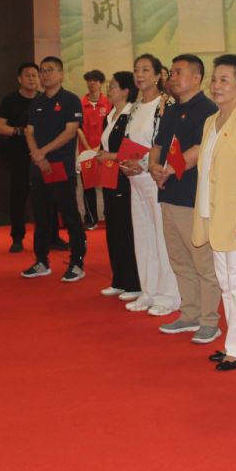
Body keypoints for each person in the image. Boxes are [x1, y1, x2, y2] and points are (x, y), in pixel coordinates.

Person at [193, 54, 236, 371]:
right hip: (212, 212)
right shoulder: (211, 121)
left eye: (224, 80)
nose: (216, 86)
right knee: (226, 283)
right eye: (214, 79)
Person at [151, 55, 221, 344]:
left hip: (192, 197)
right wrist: (154, 167)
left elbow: (200, 149)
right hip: (168, 193)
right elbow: (158, 145)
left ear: (196, 77)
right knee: (179, 259)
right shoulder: (171, 109)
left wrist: (168, 169)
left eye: (179, 72)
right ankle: (190, 313)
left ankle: (209, 320)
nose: (173, 77)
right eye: (172, 72)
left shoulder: (208, 109)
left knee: (202, 261)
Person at [20, 56, 88, 282]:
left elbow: (70, 132)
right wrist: (37, 155)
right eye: (42, 71)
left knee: (70, 216)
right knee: (41, 217)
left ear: (61, 74)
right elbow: (29, 131)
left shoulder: (70, 100)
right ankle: (41, 261)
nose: (44, 75)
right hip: (38, 167)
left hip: (61, 167)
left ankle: (77, 262)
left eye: (50, 70)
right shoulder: (37, 102)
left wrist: (44, 152)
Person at [122, 54, 180, 316]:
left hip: (156, 178)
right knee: (143, 235)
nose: (140, 75)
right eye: (136, 70)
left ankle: (169, 295)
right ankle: (149, 291)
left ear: (158, 75)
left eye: (146, 70)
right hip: (135, 180)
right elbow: (129, 141)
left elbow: (166, 143)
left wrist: (144, 163)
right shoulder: (134, 107)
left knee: (161, 238)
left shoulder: (165, 104)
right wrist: (126, 163)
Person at [96, 71, 141, 300]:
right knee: (112, 227)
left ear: (125, 90)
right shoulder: (110, 115)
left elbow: (135, 150)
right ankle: (119, 279)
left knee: (126, 229)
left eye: (113, 86)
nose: (108, 90)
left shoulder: (132, 114)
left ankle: (133, 282)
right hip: (109, 176)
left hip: (125, 177)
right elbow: (105, 145)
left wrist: (110, 156)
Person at [0, 62, 40, 253]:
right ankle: (17, 238)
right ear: (19, 79)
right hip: (19, 154)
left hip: (41, 154)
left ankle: (50, 236)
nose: (32, 79)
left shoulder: (44, 99)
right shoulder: (10, 100)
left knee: (45, 196)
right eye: (28, 75)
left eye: (35, 75)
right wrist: (19, 131)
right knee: (19, 196)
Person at [78, 69, 112, 230]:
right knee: (88, 186)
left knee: (108, 185)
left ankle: (110, 216)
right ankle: (91, 219)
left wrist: (100, 147)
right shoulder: (80, 103)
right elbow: (78, 128)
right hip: (85, 152)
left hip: (105, 151)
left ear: (101, 83)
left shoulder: (108, 103)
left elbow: (111, 126)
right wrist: (88, 149)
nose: (92, 83)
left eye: (95, 80)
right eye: (89, 80)